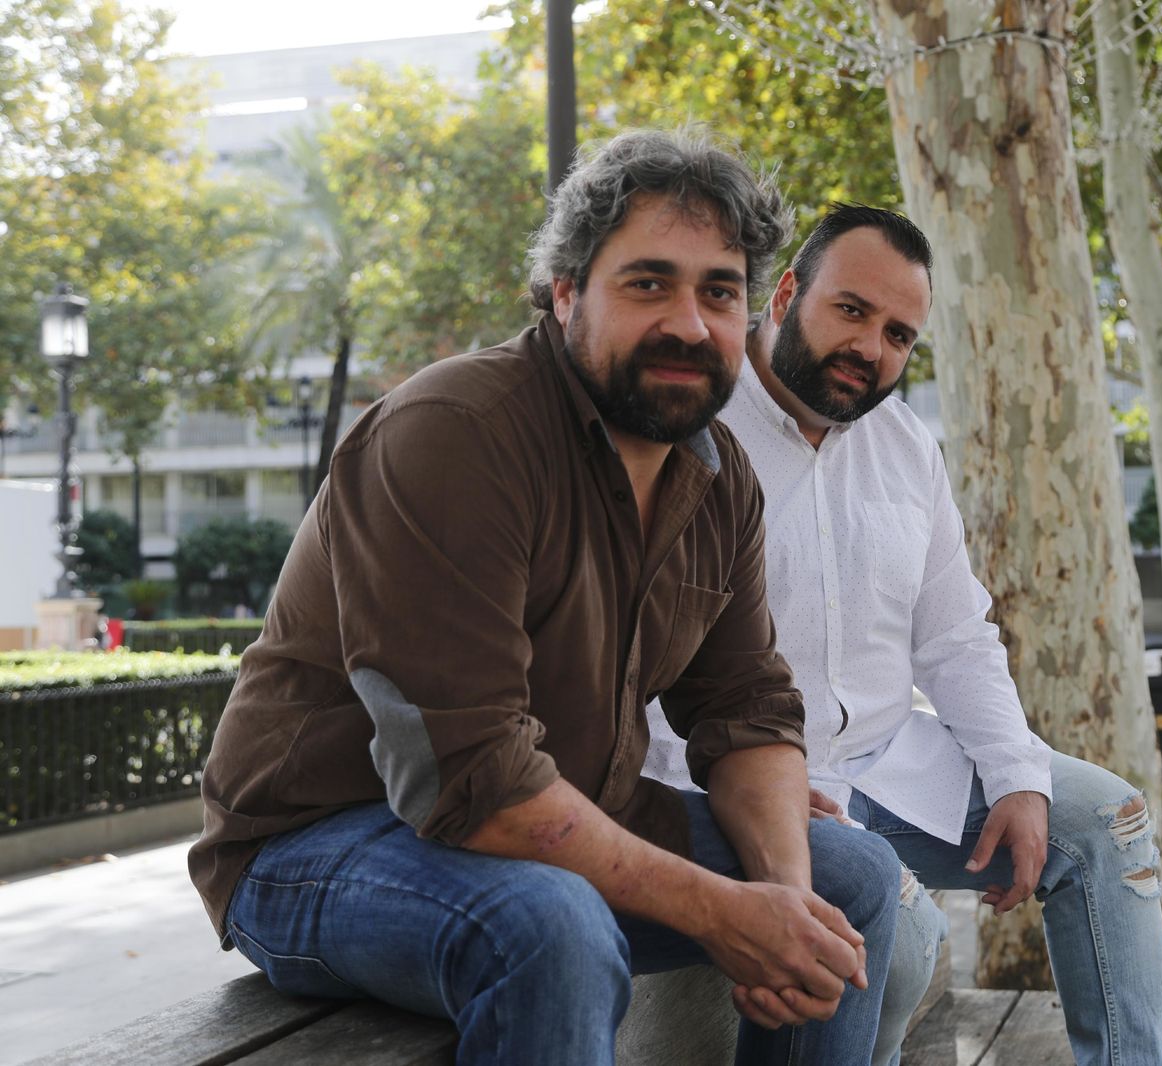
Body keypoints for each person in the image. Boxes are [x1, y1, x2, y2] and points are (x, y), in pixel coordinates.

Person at [187, 131, 903, 1066]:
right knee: (553, 924)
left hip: (557, 813)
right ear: (566, 292)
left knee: (850, 878)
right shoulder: (454, 434)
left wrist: (783, 904)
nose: (689, 324)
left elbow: (747, 708)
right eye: (648, 283)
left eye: (718, 291)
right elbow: (471, 780)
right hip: (317, 846)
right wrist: (727, 911)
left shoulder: (719, 479)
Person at [646, 205, 1162, 1066]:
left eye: (900, 334)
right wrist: (724, 790)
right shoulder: (688, 427)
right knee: (899, 934)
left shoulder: (904, 446)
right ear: (786, 293)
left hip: (890, 763)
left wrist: (1015, 774)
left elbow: (956, 636)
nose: (873, 349)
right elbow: (633, 657)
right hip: (743, 783)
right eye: (852, 312)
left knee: (1107, 823)